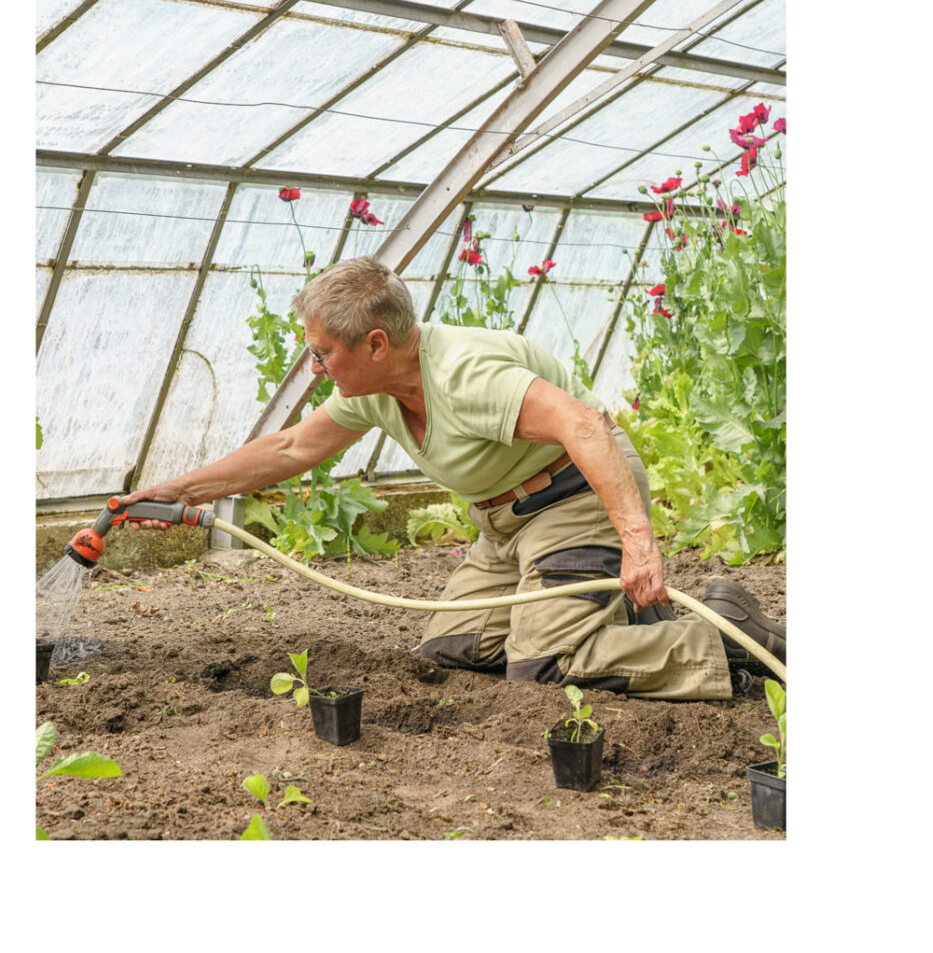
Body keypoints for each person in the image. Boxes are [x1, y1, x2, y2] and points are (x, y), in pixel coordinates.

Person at [124, 256, 784, 701]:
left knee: (542, 666)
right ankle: (609, 621)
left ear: (375, 345)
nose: (315, 367)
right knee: (449, 649)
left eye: (323, 352)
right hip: (502, 525)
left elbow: (584, 426)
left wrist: (637, 543)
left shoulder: (463, 376)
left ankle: (725, 635)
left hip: (572, 501)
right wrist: (178, 492)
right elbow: (294, 446)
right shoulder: (373, 390)